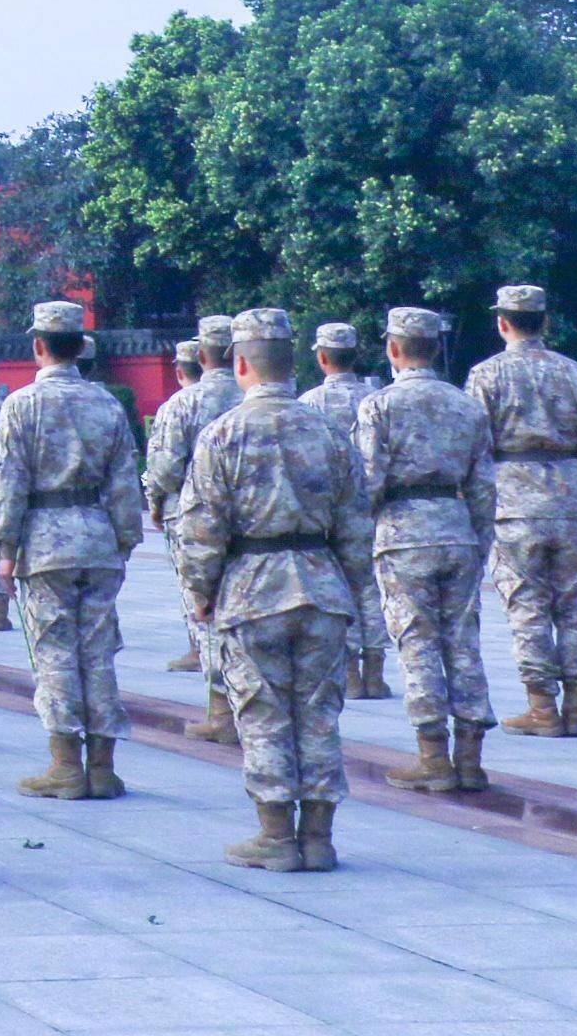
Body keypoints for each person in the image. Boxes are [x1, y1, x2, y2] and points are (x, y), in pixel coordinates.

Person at [175, 306, 374, 873]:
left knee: (262, 714)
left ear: (241, 364)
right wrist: (354, 591)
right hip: (320, 584)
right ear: (293, 364)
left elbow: (203, 526)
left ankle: (274, 835)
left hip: (252, 588)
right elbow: (357, 524)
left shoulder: (223, 435)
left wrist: (201, 591)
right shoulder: (330, 430)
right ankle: (318, 835)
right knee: (317, 714)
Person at [0, 300, 141, 802]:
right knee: (97, 652)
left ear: (38, 346)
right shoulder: (107, 403)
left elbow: (10, 478)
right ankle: (103, 765)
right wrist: (123, 539)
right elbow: (124, 481)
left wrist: (5, 546)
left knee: (54, 653)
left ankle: (65, 763)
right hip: (96, 535)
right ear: (81, 347)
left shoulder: (22, 405)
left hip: (45, 538)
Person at [352, 307, 496, 797]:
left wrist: (357, 535)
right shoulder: (466, 405)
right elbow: (483, 486)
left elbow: (368, 480)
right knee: (462, 640)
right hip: (456, 530)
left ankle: (433, 755)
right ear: (435, 347)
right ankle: (472, 759)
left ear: (393, 349)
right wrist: (480, 541)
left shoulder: (379, 407)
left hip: (404, 532)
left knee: (417, 641)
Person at [471, 284, 577, 738]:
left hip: (513, 500)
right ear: (544, 322)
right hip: (571, 496)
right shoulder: (575, 374)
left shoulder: (485, 376)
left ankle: (541, 706)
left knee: (526, 603)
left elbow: (475, 446)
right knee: (574, 603)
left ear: (502, 322)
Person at [143, 315, 243, 732]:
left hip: (192, 515)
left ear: (201, 355)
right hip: (251, 519)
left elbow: (164, 466)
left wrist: (153, 499)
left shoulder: (183, 404)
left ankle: (220, 708)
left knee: (202, 606)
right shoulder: (250, 395)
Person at [298, 322, 391, 700]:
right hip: (373, 508)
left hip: (329, 510)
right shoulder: (376, 397)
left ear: (322, 357)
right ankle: (375, 673)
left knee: (339, 589)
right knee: (372, 589)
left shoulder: (308, 404)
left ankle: (349, 672)